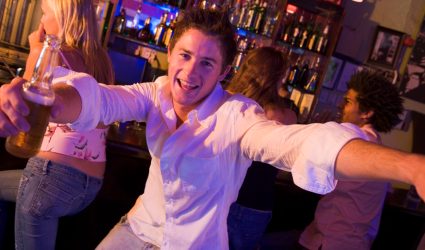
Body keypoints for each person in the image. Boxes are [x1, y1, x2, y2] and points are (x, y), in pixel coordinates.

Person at [1, 8, 425, 249]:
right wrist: (49, 98)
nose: (190, 72)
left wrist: (410, 167)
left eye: (207, 63)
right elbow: (99, 99)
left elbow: (299, 142)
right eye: (184, 56)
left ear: (224, 71)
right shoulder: (156, 91)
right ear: (170, 52)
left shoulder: (238, 118)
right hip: (138, 231)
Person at [0, 0, 114, 249]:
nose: (41, 21)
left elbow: (24, 115)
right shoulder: (103, 59)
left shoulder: (48, 53)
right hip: (88, 186)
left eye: (44, 13)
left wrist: (35, 51)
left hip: (49, 176)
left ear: (61, 17)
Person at [299, 70, 404, 250]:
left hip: (329, 240)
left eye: (347, 102)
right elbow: (385, 193)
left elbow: (308, 172)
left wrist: (314, 130)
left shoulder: (352, 142)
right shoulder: (377, 145)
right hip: (355, 242)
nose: (340, 105)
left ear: (367, 112)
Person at [225, 46, 298, 250]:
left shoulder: (229, 102)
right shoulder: (286, 116)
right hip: (256, 203)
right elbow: (288, 165)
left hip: (221, 195)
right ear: (279, 76)